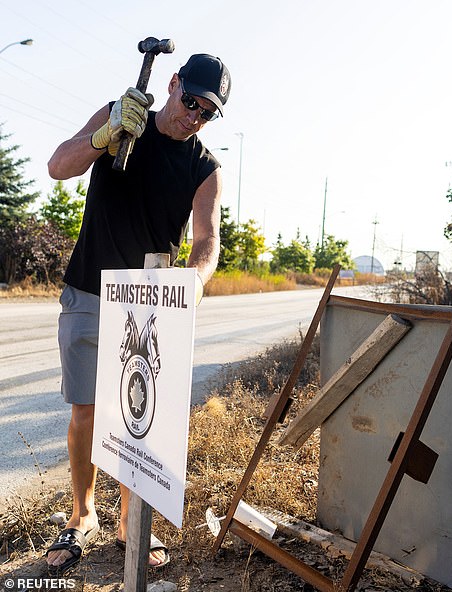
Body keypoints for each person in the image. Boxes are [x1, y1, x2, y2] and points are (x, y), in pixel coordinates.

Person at [45, 53, 231, 576]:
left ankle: (131, 519)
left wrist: (194, 281)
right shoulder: (122, 117)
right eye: (189, 100)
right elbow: (59, 166)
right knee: (84, 411)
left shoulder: (204, 167)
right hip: (88, 288)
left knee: (135, 422)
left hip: (148, 306)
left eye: (207, 111)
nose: (193, 114)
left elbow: (207, 240)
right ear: (172, 84)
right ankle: (83, 515)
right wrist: (104, 133)